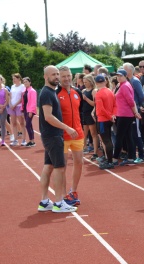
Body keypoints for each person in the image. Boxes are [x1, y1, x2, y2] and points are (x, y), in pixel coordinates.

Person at [37, 65, 78, 213]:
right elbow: (48, 117)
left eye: (57, 74)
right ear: (45, 77)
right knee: (59, 168)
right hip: (53, 135)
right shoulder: (47, 93)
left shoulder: (49, 92)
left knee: (48, 167)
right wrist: (66, 127)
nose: (56, 77)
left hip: (50, 135)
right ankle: (59, 202)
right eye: (53, 74)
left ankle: (44, 201)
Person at [57, 66, 84, 207]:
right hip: (63, 135)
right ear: (59, 78)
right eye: (63, 76)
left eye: (68, 76)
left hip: (78, 134)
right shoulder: (56, 93)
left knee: (79, 162)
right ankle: (62, 195)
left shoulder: (77, 92)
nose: (66, 79)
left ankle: (73, 191)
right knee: (63, 166)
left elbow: (79, 112)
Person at [112, 69, 142, 166]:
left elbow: (130, 101)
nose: (119, 77)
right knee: (128, 137)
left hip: (125, 115)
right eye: (117, 76)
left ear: (125, 76)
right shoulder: (121, 85)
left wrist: (135, 112)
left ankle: (115, 158)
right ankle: (130, 157)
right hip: (124, 114)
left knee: (120, 137)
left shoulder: (124, 86)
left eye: (121, 76)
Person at [123, 63, 144, 163]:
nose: (123, 72)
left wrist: (140, 106)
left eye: (124, 70)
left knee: (137, 133)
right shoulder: (126, 81)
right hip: (128, 111)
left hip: (135, 110)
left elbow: (141, 96)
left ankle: (141, 156)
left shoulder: (135, 81)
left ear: (130, 71)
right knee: (131, 134)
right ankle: (132, 155)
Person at [94, 74, 117, 170]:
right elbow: (115, 105)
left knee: (106, 141)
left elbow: (101, 109)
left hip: (103, 120)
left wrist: (109, 116)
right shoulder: (110, 91)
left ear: (96, 83)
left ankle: (110, 161)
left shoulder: (98, 94)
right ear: (105, 81)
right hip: (109, 118)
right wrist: (113, 115)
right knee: (109, 140)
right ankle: (110, 160)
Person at [81, 74, 99, 160]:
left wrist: (86, 99)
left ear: (90, 82)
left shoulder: (94, 91)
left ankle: (95, 152)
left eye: (86, 82)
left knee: (93, 133)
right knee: (84, 134)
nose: (84, 83)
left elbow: (95, 104)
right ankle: (83, 148)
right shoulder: (84, 90)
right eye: (84, 82)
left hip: (91, 114)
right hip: (84, 113)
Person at [8, 73, 25, 146]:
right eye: (13, 79)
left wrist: (15, 104)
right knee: (14, 123)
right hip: (12, 107)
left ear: (18, 79)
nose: (13, 80)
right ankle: (15, 140)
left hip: (19, 106)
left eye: (14, 78)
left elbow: (22, 98)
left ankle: (24, 140)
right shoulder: (12, 86)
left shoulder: (22, 86)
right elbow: (10, 96)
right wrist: (10, 104)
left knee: (21, 123)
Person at [21, 77, 37, 147]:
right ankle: (32, 141)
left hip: (30, 110)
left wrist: (30, 111)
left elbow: (33, 102)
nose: (25, 83)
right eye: (24, 82)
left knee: (27, 125)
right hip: (25, 110)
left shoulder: (32, 91)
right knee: (29, 125)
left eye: (26, 82)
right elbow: (23, 101)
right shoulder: (24, 91)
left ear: (30, 82)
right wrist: (22, 109)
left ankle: (32, 141)